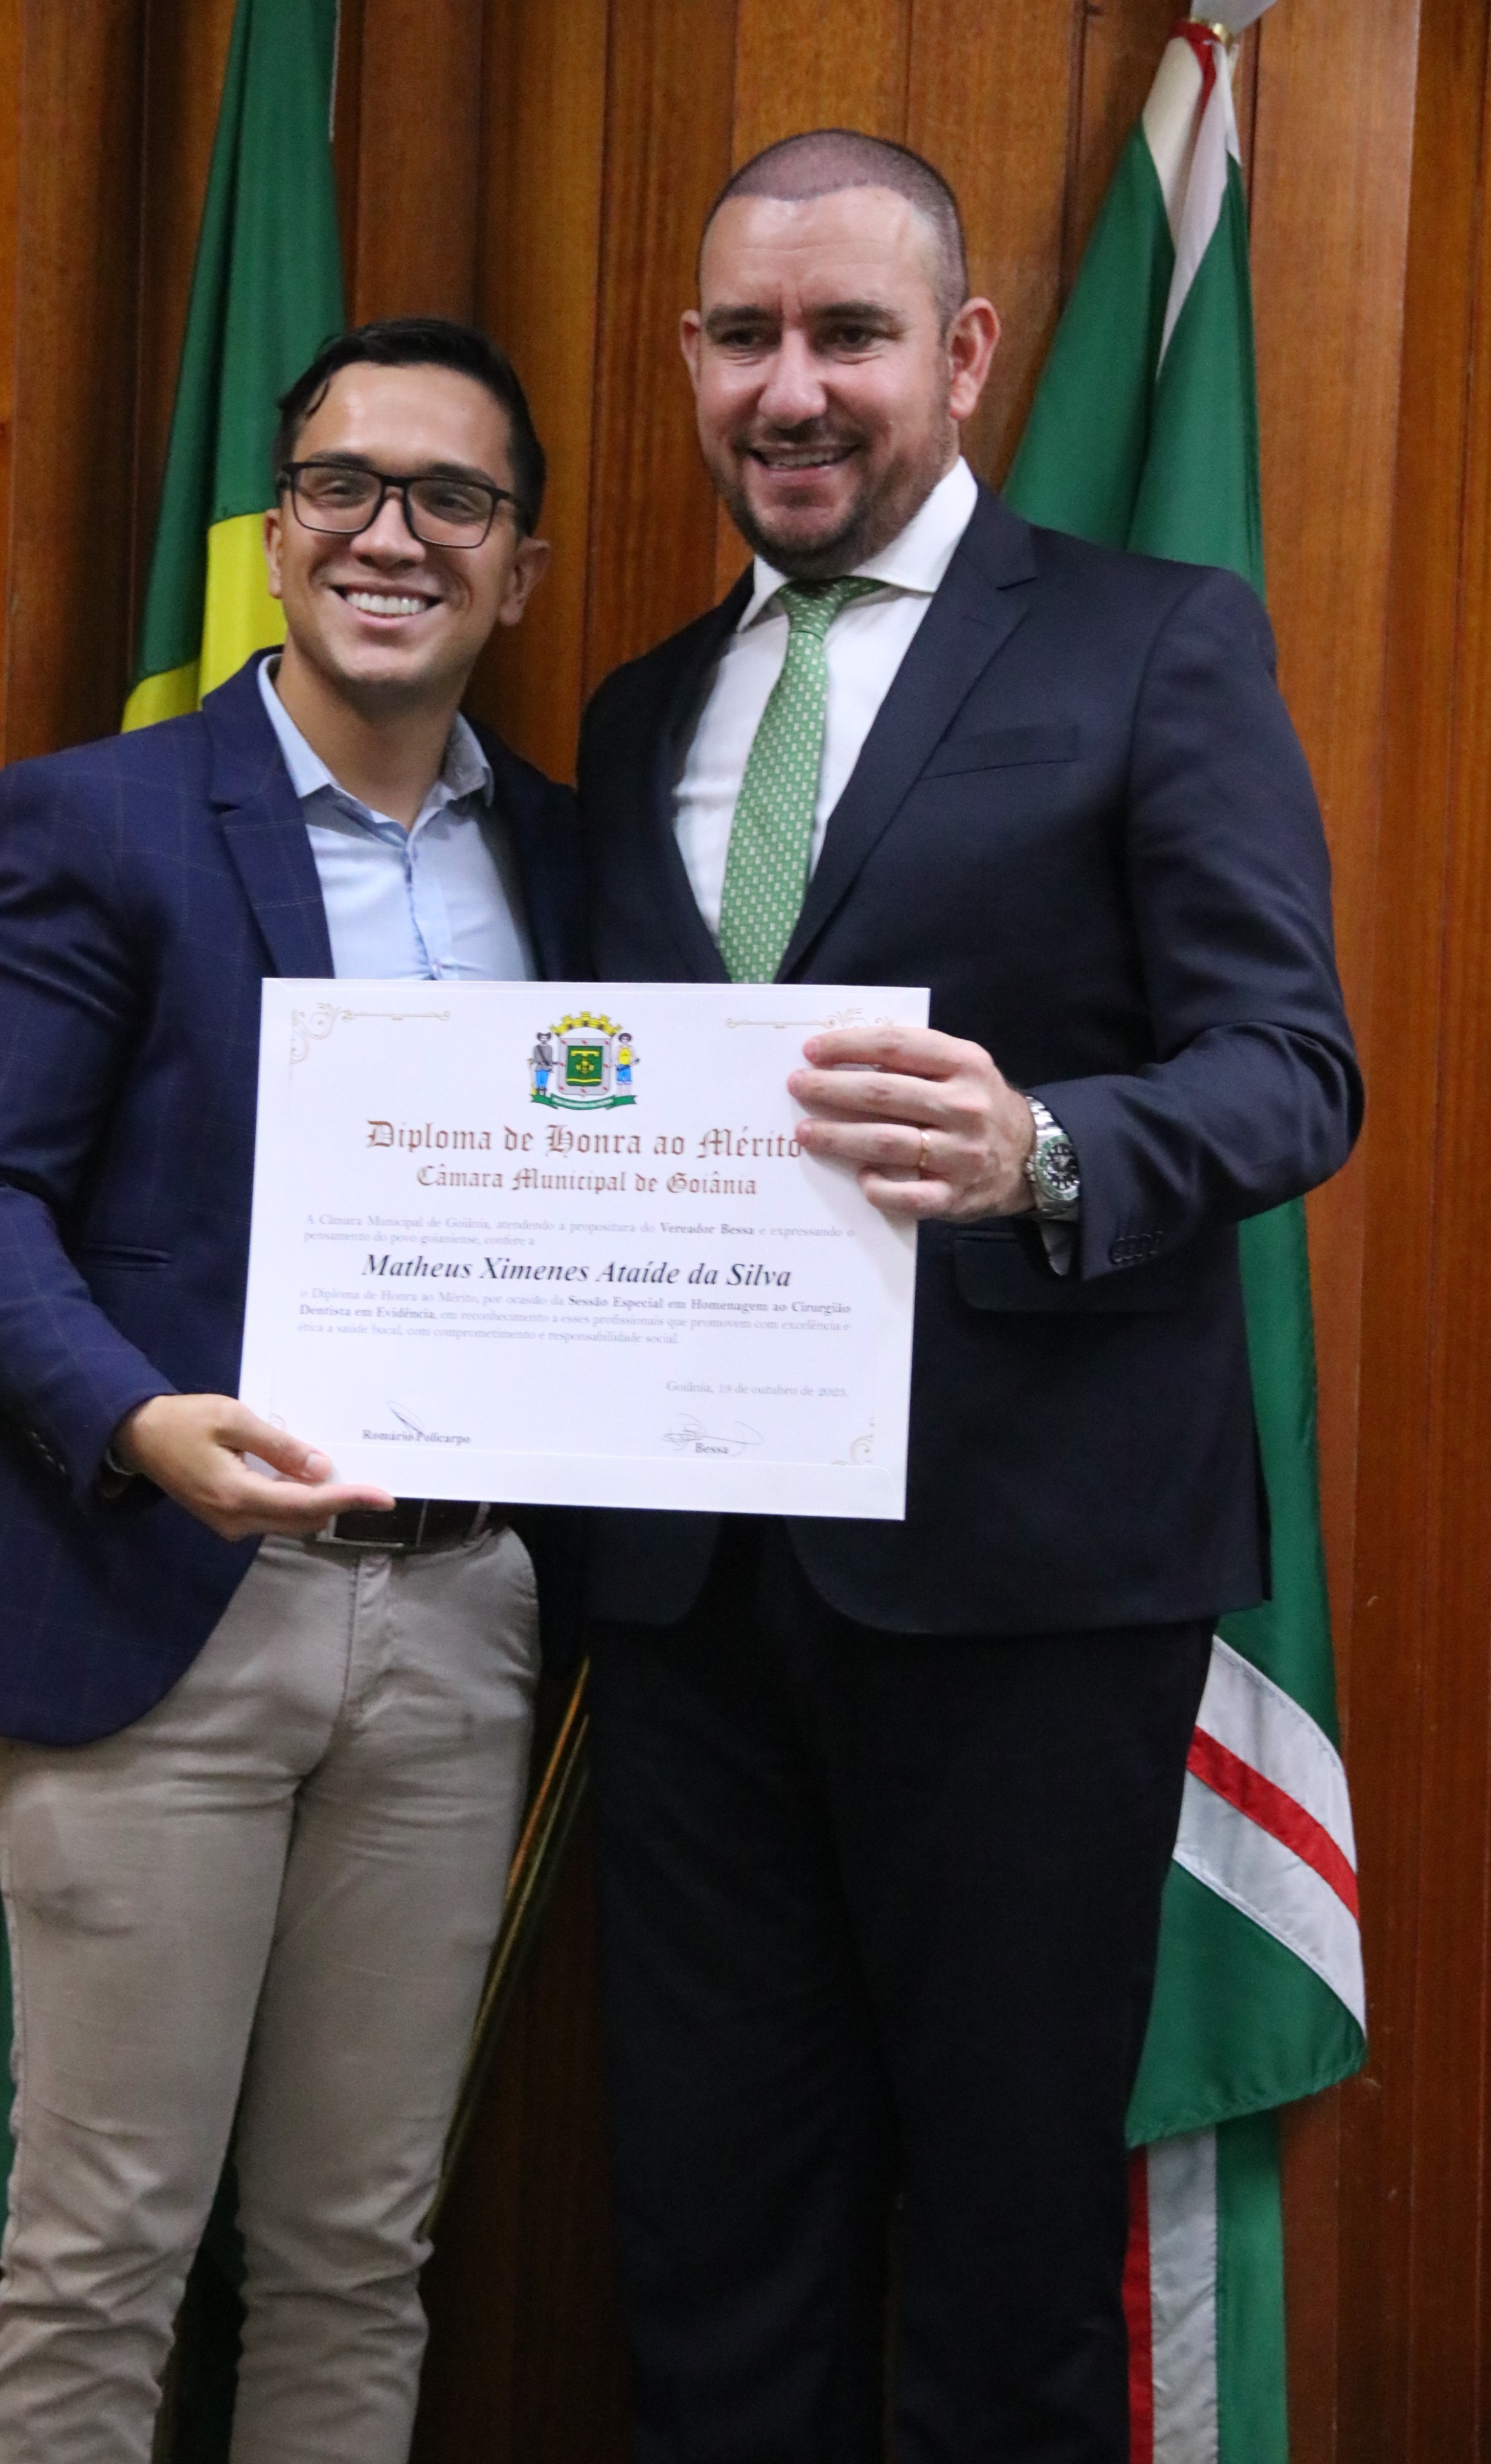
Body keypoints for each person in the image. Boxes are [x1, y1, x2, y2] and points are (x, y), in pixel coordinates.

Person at [578, 130, 1361, 2463]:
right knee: (712, 2254)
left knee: (1012, 2272)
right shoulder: (633, 711)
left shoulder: (1153, 641)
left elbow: (1290, 1067)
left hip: (1029, 1595)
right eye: (745, 337)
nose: (791, 388)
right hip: (687, 1599)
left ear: (968, 353)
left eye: (850, 333)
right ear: (691, 360)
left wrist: (1047, 1152)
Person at [0, 316, 584, 2464]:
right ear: (277, 534)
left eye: (452, 499)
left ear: (521, 570)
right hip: (153, 1595)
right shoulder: (91, 820)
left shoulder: (573, 863)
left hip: (461, 1616)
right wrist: (137, 1423)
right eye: (344, 487)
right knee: (103, 2250)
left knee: (360, 2253)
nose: (393, 535)